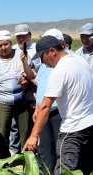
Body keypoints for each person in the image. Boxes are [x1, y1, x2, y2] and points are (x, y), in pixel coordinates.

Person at [23, 36, 93, 175]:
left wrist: (33, 136)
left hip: (73, 130)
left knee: (64, 171)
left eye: (42, 57)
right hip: (90, 125)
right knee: (83, 169)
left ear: (52, 51)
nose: (42, 62)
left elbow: (45, 106)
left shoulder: (59, 70)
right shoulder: (80, 60)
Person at [0, 30, 31, 159]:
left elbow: (31, 75)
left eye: (6, 44)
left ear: (11, 43)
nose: (3, 48)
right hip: (1, 101)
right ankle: (4, 161)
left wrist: (27, 80)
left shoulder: (21, 55)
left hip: (22, 99)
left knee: (25, 131)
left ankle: (28, 160)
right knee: (1, 132)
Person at [9, 24, 39, 155]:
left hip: (34, 90)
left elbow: (39, 70)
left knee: (32, 120)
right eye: (18, 37)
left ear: (30, 35)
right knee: (15, 122)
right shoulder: (13, 49)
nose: (21, 39)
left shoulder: (36, 48)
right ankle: (14, 150)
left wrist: (29, 79)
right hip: (17, 90)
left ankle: (31, 150)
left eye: (24, 36)